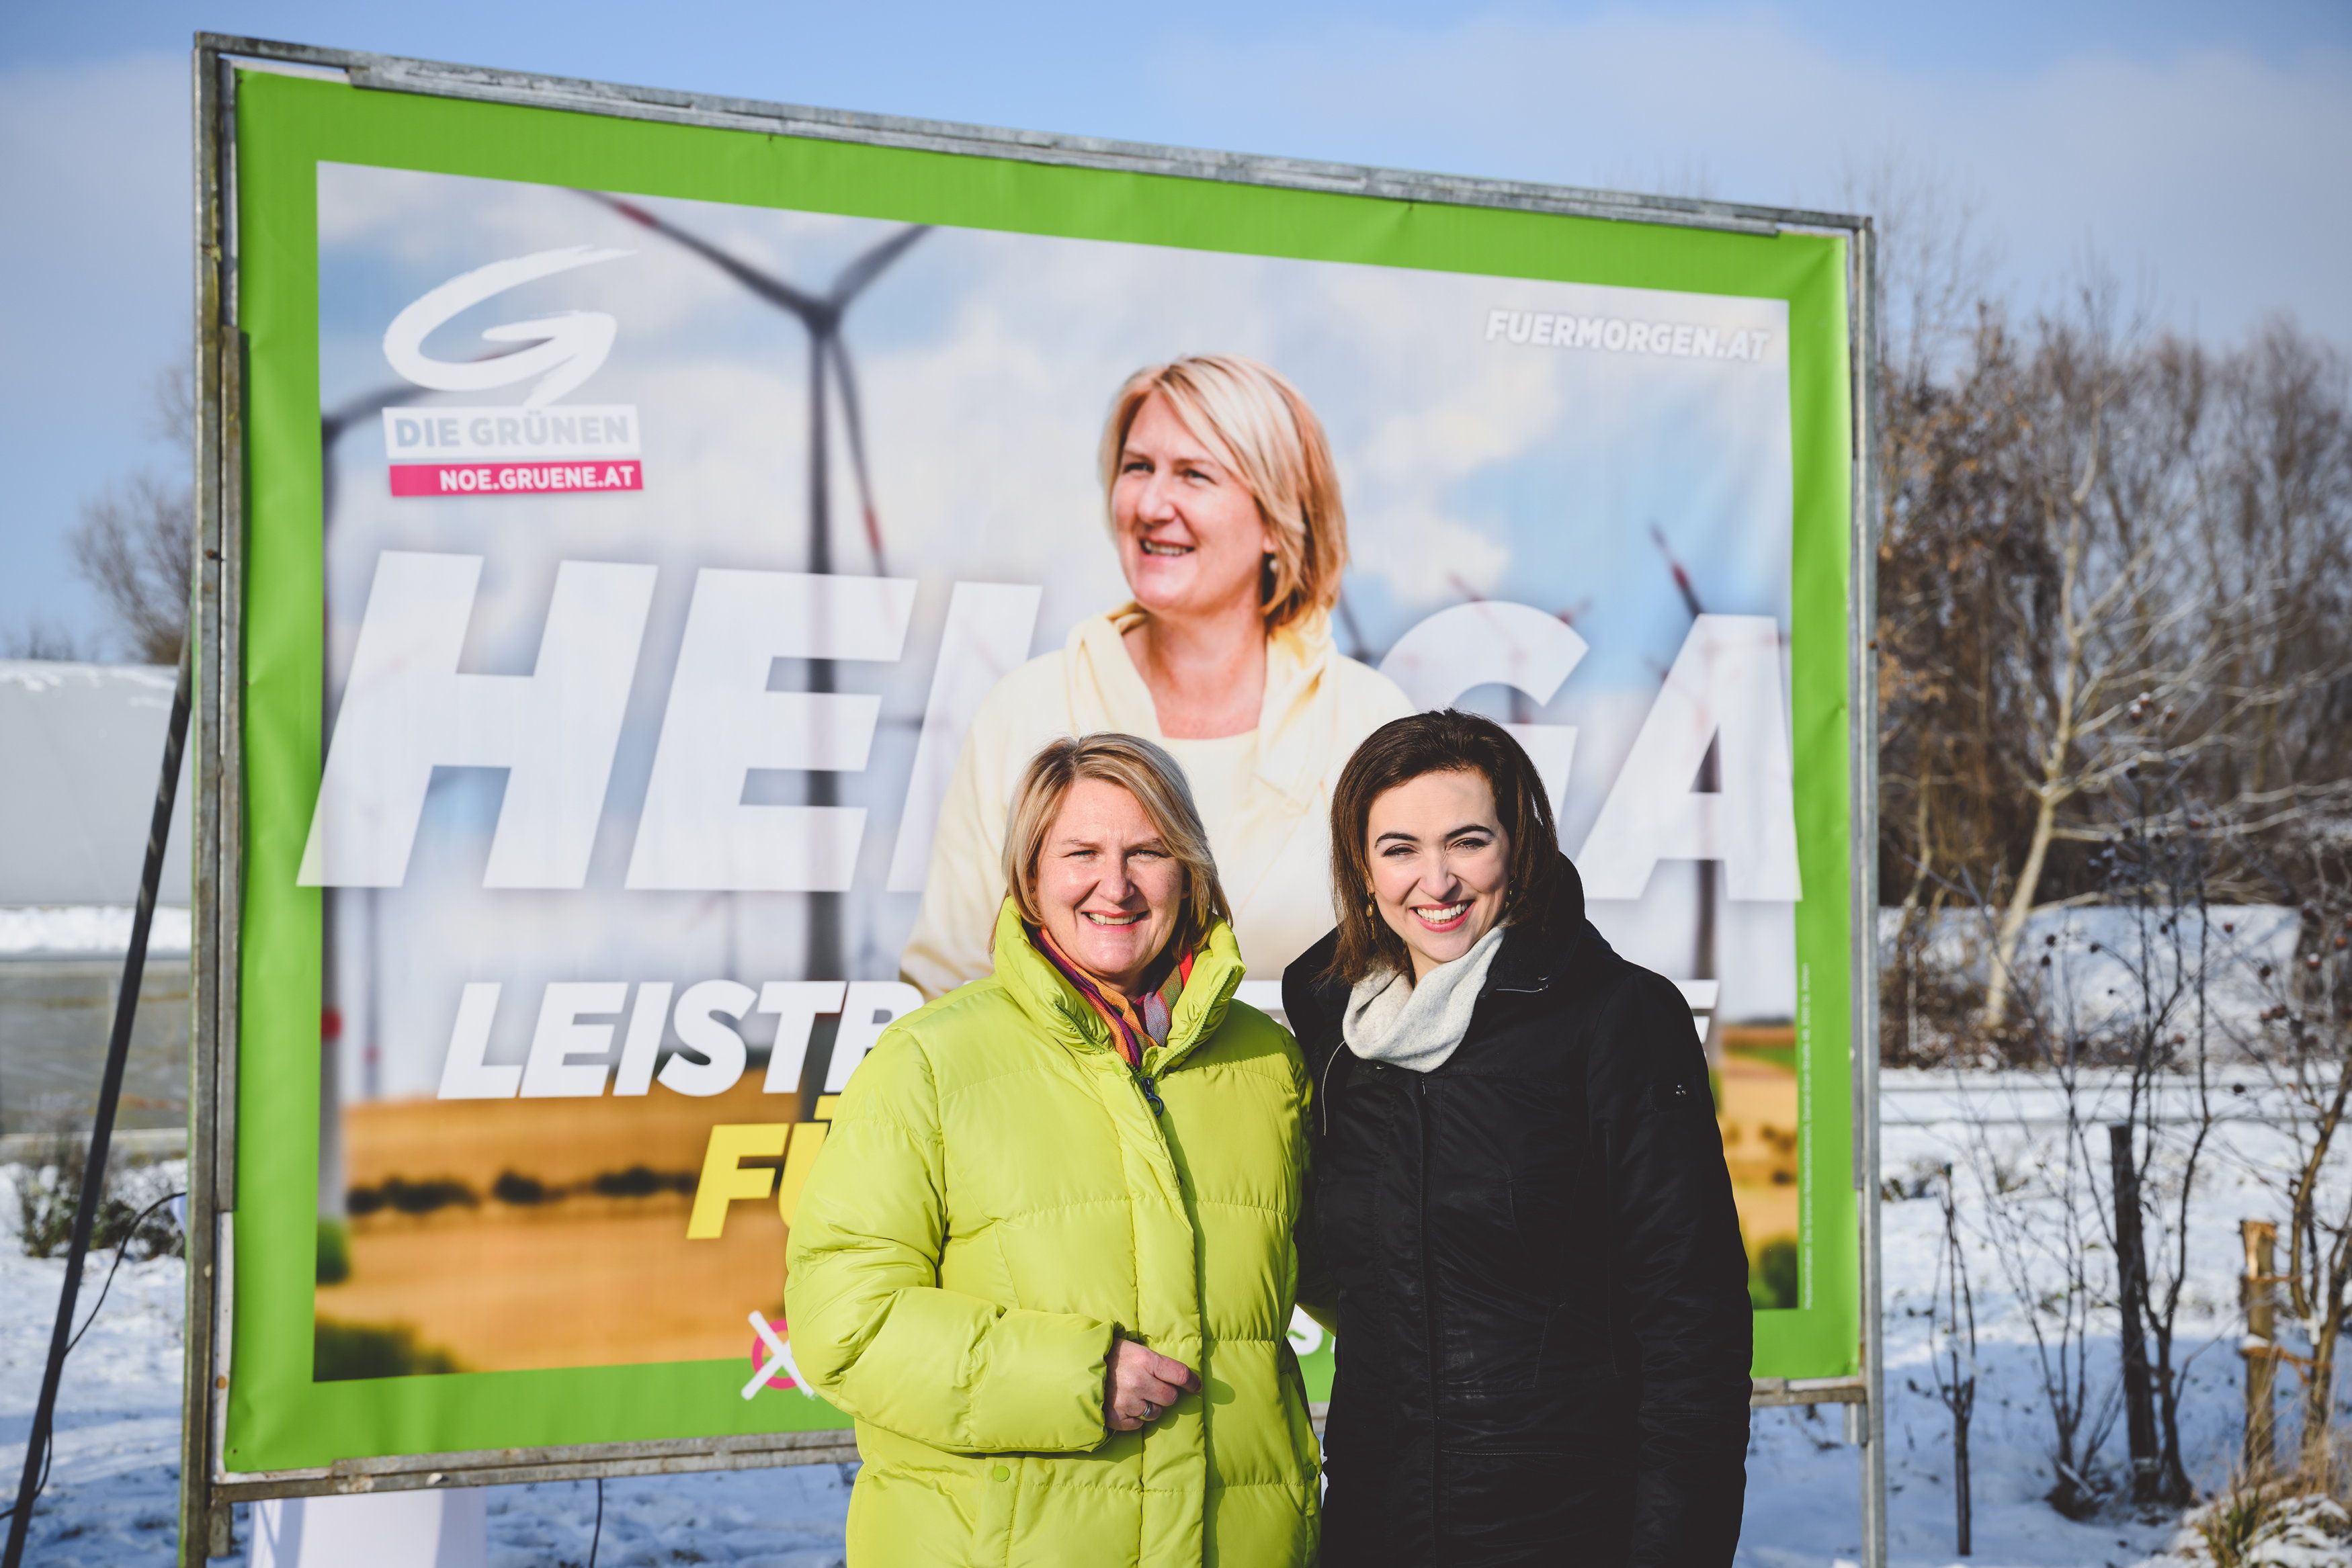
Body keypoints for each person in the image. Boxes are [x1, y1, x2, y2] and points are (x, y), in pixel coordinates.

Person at [788, 734, 1322, 1567]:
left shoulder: (1266, 1063)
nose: (1115, 885)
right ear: (1030, 877)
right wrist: (1072, 1378)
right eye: (1081, 853)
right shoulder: (929, 1062)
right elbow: (842, 1323)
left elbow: (1358, 1276)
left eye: (1147, 851)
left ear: (1189, 872)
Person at [1283, 710, 1753, 1567]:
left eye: (1467, 841)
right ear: (1360, 867)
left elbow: (1691, 1323)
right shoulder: (1338, 1036)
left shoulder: (1613, 1017)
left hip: (1566, 1528)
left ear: (1518, 845)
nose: (1436, 881)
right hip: (1375, 1524)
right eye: (1399, 849)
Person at [899, 353, 1413, 998]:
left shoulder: (1366, 721)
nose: (1151, 503)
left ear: (1280, 522)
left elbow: (1417, 979)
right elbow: (946, 985)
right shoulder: (1025, 710)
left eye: (1195, 475)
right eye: (1137, 467)